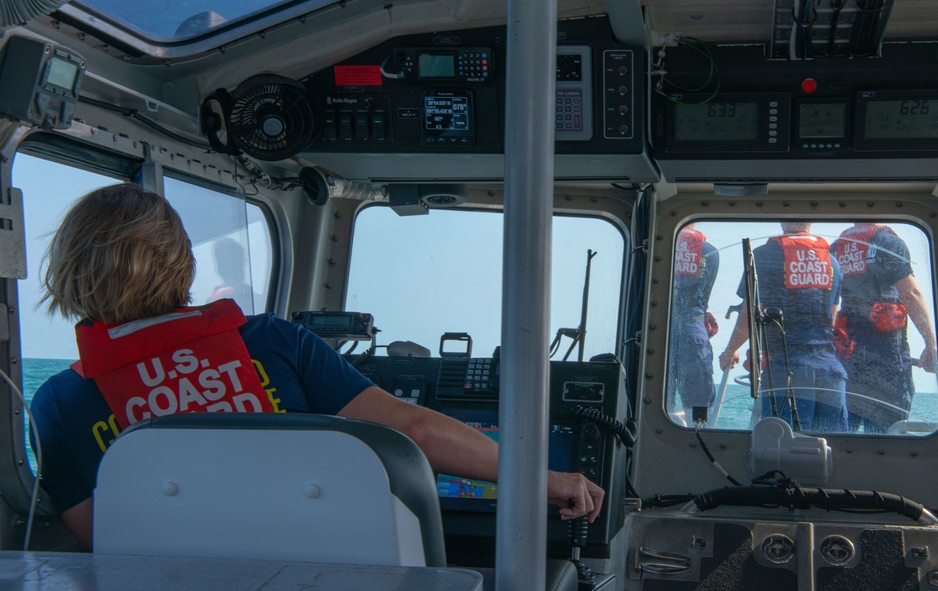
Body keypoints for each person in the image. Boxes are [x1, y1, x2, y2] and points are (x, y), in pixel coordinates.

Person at [31, 184, 604, 550]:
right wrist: (547, 481)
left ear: (69, 274)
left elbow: (102, 540)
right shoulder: (272, 341)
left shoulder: (57, 404)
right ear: (180, 264)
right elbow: (416, 431)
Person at [718, 222, 848, 432]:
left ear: (783, 221)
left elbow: (750, 312)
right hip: (830, 371)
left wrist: (730, 350)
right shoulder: (832, 261)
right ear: (810, 221)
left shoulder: (763, 255)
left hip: (786, 370)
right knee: (833, 445)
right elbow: (831, 318)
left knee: (783, 444)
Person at [832, 223, 937, 433]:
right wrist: (931, 343)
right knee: (889, 437)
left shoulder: (835, 248)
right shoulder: (887, 242)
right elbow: (911, 294)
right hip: (888, 362)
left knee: (843, 438)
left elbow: (831, 301)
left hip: (847, 361)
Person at [666, 224, 719, 424]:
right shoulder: (710, 251)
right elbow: (705, 298)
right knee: (698, 407)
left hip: (658, 327)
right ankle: (700, 437)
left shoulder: (658, 244)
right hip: (693, 329)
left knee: (658, 398)